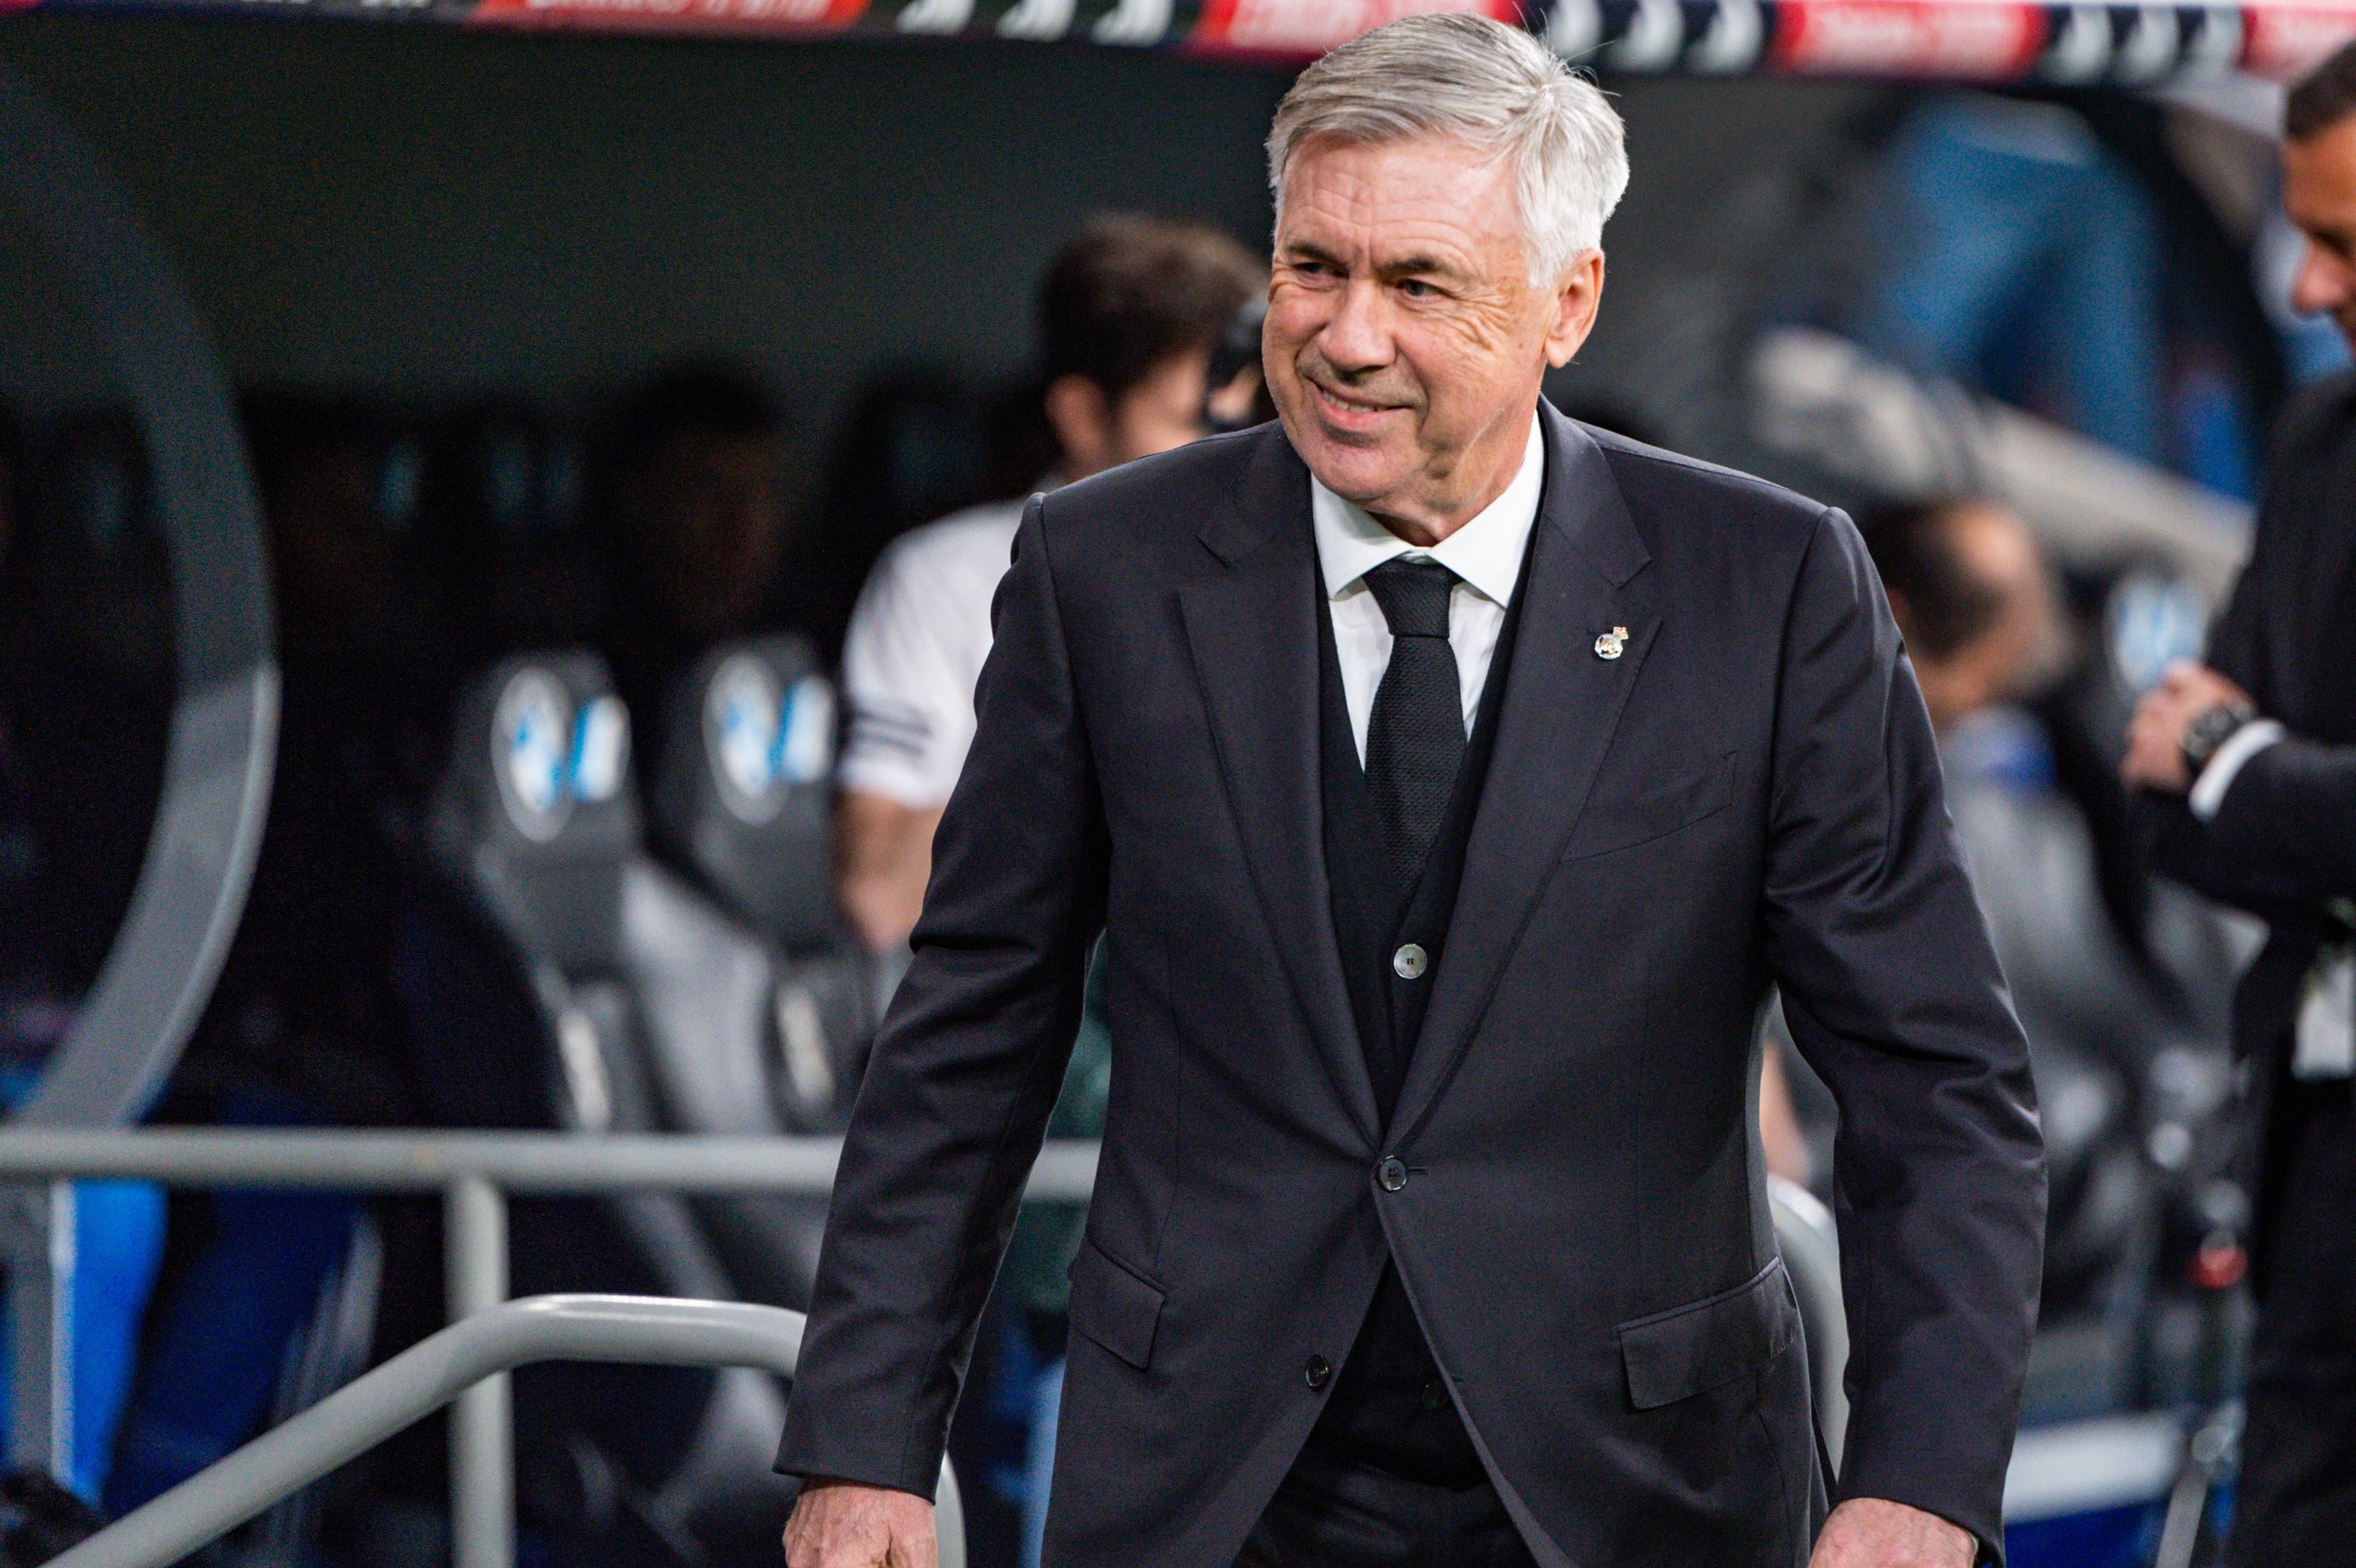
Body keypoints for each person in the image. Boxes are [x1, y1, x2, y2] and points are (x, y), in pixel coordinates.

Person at [778, 17, 2045, 1568]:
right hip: (1210, 1484)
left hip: (1639, 1489)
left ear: (1567, 304)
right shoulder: (1100, 571)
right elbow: (968, 1028)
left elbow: (1937, 1082)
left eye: (1420, 283)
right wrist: (863, 1443)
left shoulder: (1768, 585)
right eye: (1314, 268)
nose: (1346, 335)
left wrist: (1917, 1482)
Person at [2125, 40, 2356, 1560]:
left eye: (2342, 243)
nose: (2303, 291)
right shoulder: (2320, 444)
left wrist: (2239, 766)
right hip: (2321, 1146)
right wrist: (2261, 792)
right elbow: (2161, 791)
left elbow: (2204, 761)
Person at [832, 216, 1266, 955]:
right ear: (1084, 415)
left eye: (1246, 423)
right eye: (1189, 425)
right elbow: (878, 900)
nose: (1232, 459)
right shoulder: (943, 579)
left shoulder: (1297, 561)